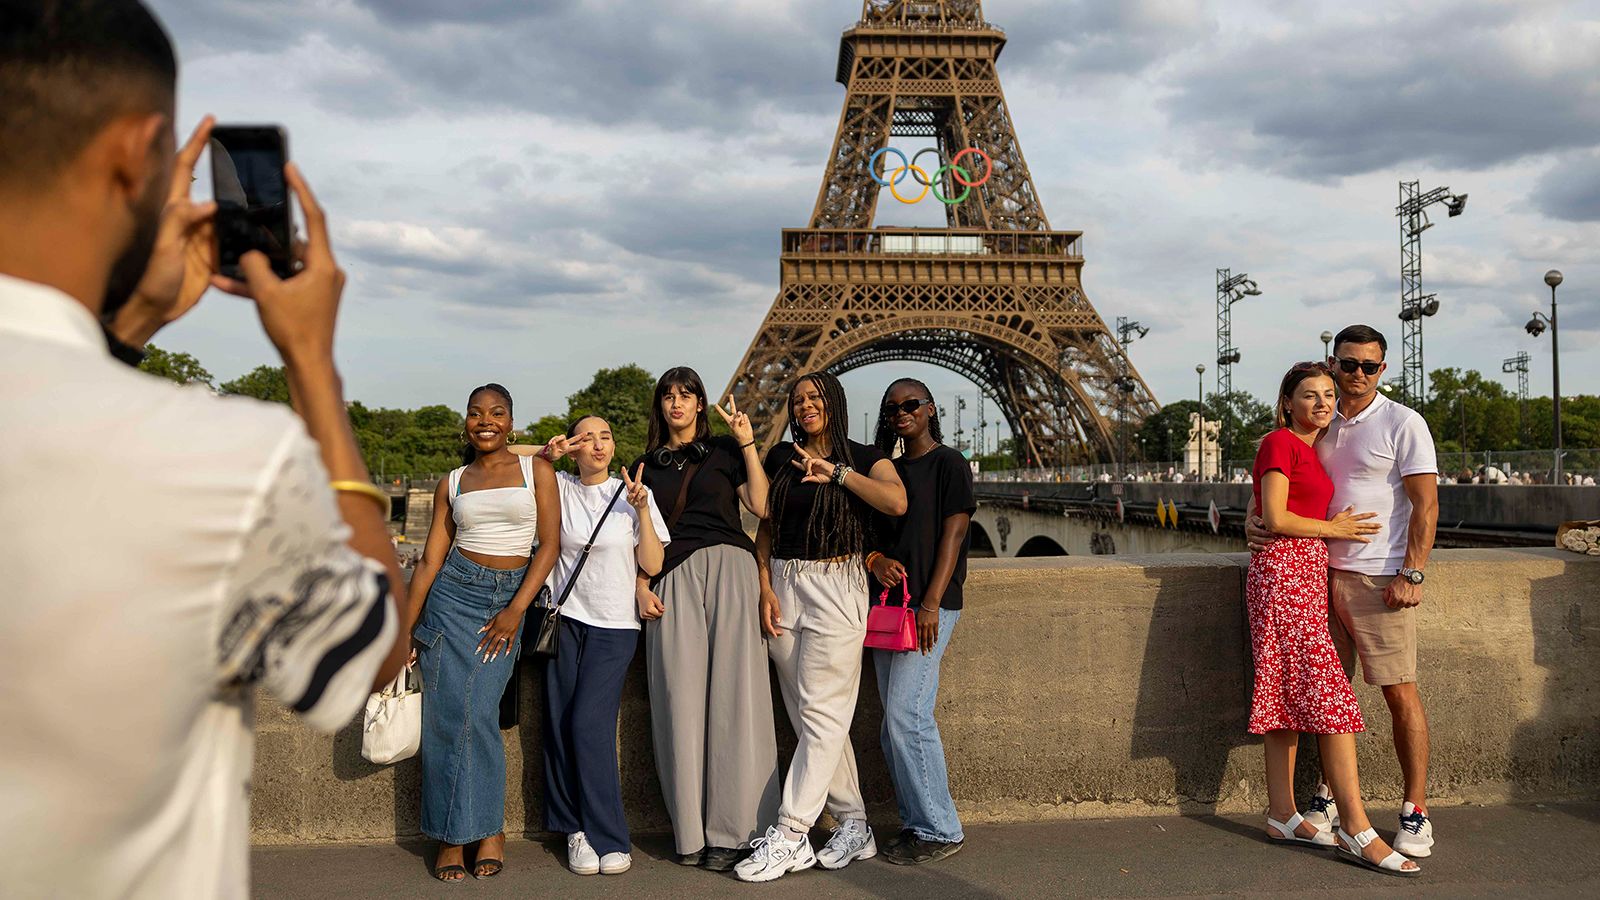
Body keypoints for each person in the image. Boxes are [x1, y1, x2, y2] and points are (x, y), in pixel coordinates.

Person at [0, 3, 408, 896]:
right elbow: (369, 649)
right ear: (140, 152)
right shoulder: (224, 461)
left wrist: (132, 321)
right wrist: (310, 363)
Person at [1248, 324, 1440, 859]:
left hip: (1379, 578)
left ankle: (1414, 809)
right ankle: (1326, 805)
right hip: (1313, 577)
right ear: (1333, 364)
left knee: (1398, 692)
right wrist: (1254, 518)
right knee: (1324, 692)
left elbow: (1426, 506)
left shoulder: (1404, 422)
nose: (1356, 375)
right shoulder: (1318, 425)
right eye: (1346, 365)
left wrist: (1413, 573)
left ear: (1383, 370)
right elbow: (1275, 484)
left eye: (1368, 367)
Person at [735, 372, 907, 884]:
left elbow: (895, 502)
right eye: (797, 399)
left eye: (814, 397)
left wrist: (834, 473)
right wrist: (764, 583)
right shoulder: (781, 459)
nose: (805, 405)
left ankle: (791, 834)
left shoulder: (863, 455)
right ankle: (854, 823)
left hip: (838, 580)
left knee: (826, 714)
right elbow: (764, 521)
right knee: (812, 717)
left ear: (833, 400)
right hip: (785, 583)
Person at [403, 384, 561, 881]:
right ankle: (452, 837)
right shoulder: (452, 482)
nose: (484, 421)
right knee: (449, 718)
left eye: (496, 413)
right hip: (452, 597)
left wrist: (517, 609)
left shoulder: (537, 471)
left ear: (511, 422)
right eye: (475, 413)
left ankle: (487, 829)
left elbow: (550, 546)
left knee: (480, 715)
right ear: (465, 422)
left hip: (508, 601)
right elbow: (430, 559)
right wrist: (405, 629)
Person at [633, 368, 780, 872]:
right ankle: (691, 831)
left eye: (687, 394)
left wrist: (747, 444)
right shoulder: (642, 467)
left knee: (737, 697)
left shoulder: (724, 453)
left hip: (733, 569)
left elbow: (761, 506)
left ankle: (737, 829)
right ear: (661, 406)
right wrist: (638, 584)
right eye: (668, 395)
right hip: (671, 576)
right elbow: (633, 537)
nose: (677, 402)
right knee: (678, 700)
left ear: (700, 403)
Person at [544, 415, 669, 877]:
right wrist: (548, 450)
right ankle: (573, 827)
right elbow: (504, 460)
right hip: (566, 619)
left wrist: (640, 510)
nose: (598, 444)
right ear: (575, 446)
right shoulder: (557, 485)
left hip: (615, 625)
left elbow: (652, 562)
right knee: (558, 724)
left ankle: (609, 834)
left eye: (606, 436)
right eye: (588, 437)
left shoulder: (633, 493)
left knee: (587, 724)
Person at [864, 379, 975, 865]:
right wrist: (873, 560)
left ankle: (940, 826)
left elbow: (955, 531)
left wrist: (930, 602)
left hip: (929, 606)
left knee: (907, 716)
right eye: (893, 408)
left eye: (912, 405)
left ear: (931, 410)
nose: (902, 412)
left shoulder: (949, 463)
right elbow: (866, 534)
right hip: (889, 607)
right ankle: (917, 822)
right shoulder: (883, 473)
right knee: (893, 726)